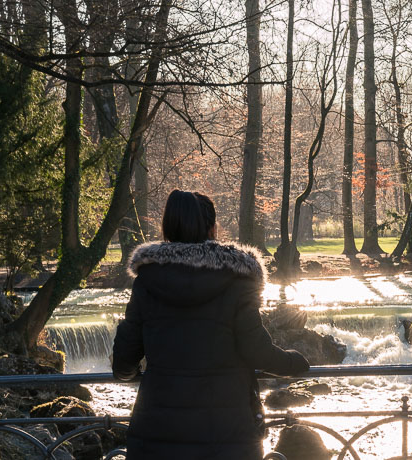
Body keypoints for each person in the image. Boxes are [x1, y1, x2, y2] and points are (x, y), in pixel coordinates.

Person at [112, 190, 309, 460]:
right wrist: (295, 363)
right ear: (213, 228)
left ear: (167, 228)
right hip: (228, 437)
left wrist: (131, 372)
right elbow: (256, 350)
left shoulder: (147, 279)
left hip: (159, 434)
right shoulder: (238, 278)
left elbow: (124, 359)